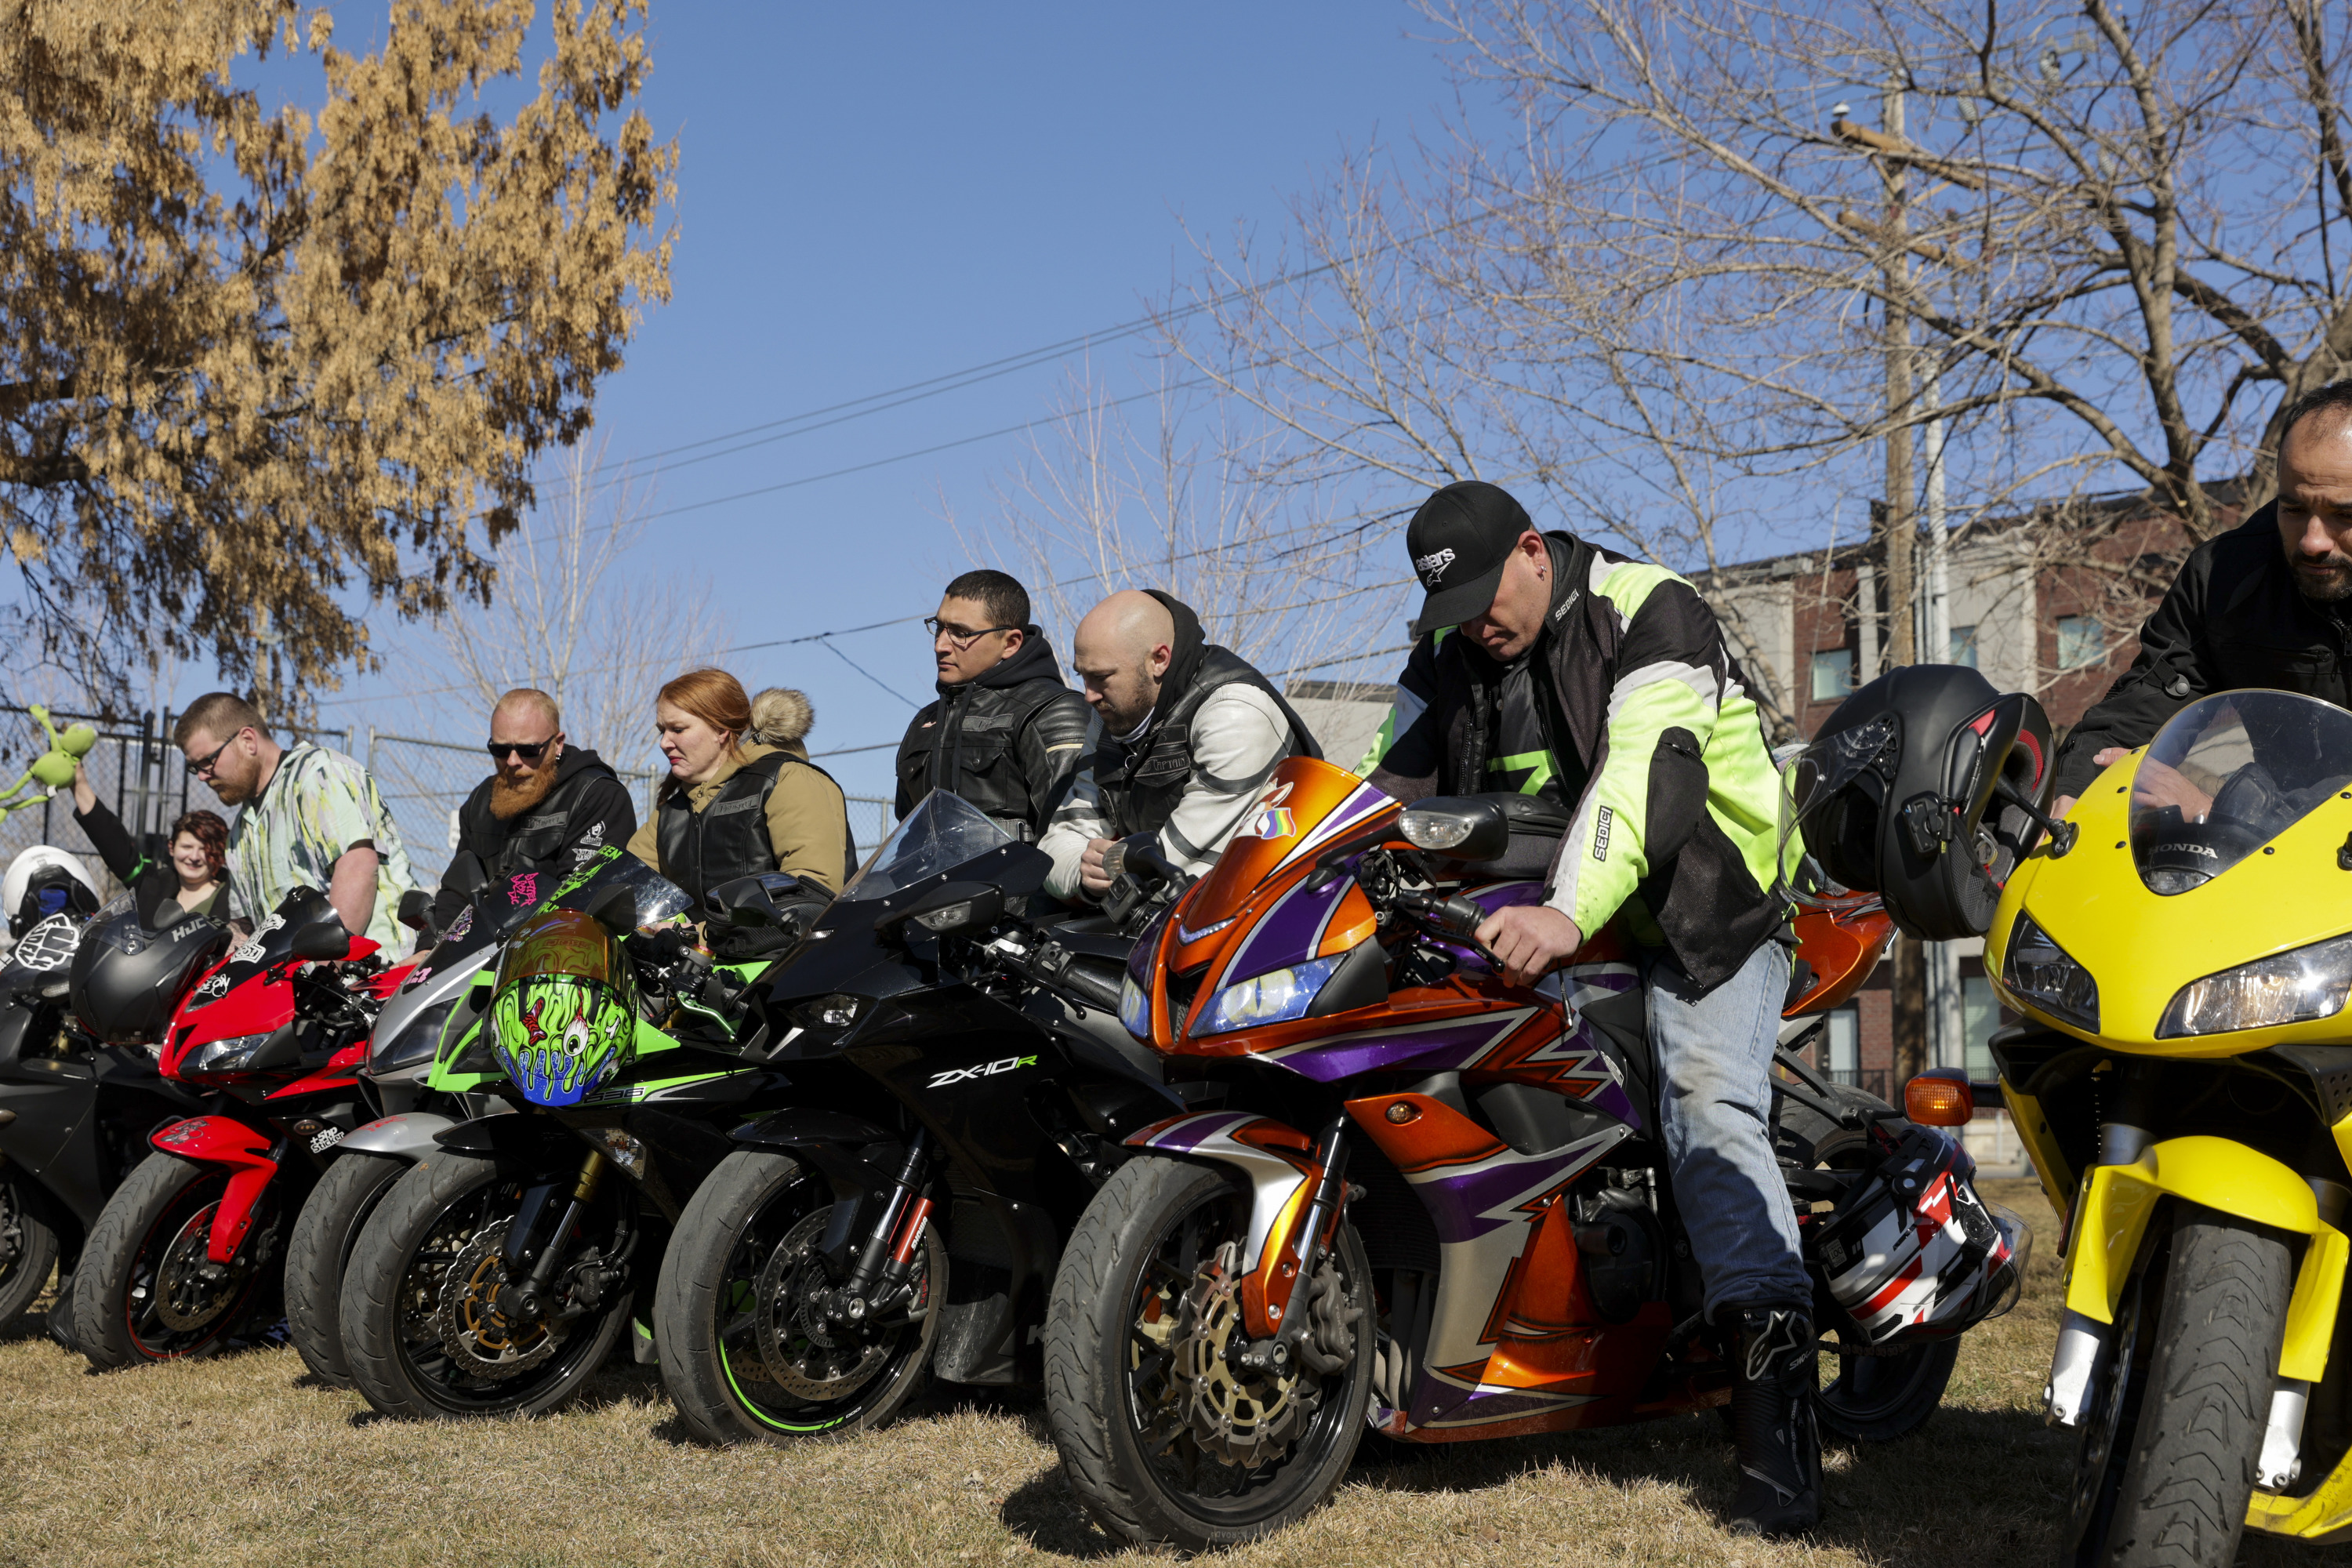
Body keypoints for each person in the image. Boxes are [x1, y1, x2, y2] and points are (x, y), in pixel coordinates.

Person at [1361, 480, 1813, 1537]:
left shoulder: (1650, 609)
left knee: (1706, 1107)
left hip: (1705, 911)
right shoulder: (1448, 653)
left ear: (1534, 550)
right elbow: (1384, 791)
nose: (1477, 623)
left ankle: (1777, 1435)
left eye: (1485, 595)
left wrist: (1567, 913)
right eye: (1453, 608)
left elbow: (1642, 775)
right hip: (1552, 914)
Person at [2054, 379, 2352, 816]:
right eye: (2292, 509)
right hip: (2271, 866)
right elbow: (2147, 703)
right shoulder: (2224, 577)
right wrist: (2078, 790)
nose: (2312, 541)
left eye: (2343, 515)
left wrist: (2231, 813)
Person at [1039, 590, 1320, 905]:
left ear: (1159, 659)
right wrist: (1083, 872)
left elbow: (1178, 867)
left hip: (1269, 919)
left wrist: (1114, 870)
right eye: (1083, 676)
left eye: (1101, 677)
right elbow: (1058, 843)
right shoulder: (1108, 718)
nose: (1088, 695)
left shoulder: (1235, 712)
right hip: (1174, 919)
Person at [173, 692, 419, 947]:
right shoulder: (239, 832)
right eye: (195, 768)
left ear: (248, 740)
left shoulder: (319, 775)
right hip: (302, 984)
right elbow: (248, 922)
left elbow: (358, 869)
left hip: (377, 977)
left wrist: (323, 973)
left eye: (206, 761)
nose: (202, 776)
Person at [625, 671, 852, 906]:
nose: (664, 743)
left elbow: (811, 894)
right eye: (662, 730)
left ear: (721, 730)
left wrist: (697, 934)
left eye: (678, 729)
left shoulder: (788, 780)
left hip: (792, 943)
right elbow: (623, 889)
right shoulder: (671, 812)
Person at [895, 568, 1091, 840]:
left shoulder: (1053, 711)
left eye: (961, 633)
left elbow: (1073, 841)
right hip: (931, 884)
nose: (940, 645)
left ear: (1010, 643)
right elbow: (907, 838)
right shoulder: (925, 722)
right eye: (939, 627)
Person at [453, 688, 638, 880]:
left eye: (528, 750)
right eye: (500, 749)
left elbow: (582, 898)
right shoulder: (480, 800)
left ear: (557, 743)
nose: (512, 761)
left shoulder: (598, 796)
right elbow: (457, 890)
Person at [69, 760, 230, 924]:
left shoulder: (233, 898)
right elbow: (111, 841)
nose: (194, 856)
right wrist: (79, 783)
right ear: (172, 848)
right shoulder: (153, 886)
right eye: (187, 846)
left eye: (204, 849)